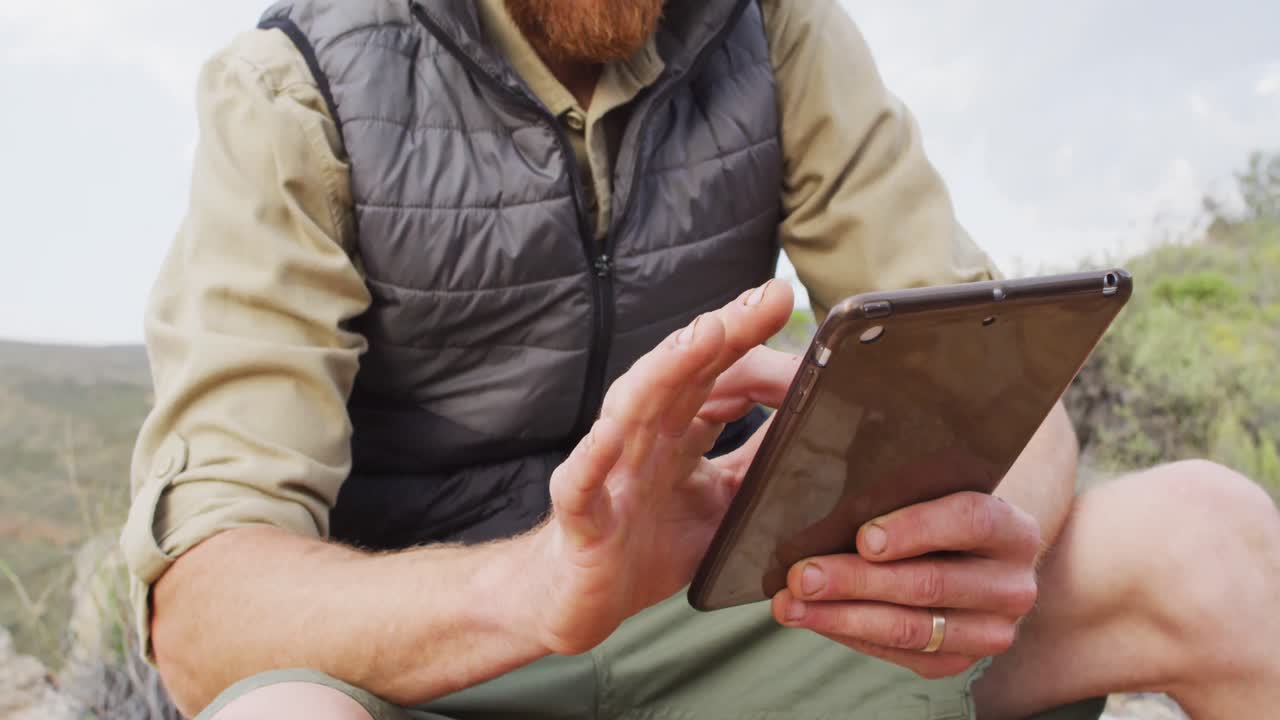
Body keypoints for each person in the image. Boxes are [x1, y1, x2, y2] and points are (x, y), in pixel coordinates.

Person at [121, 1, 1280, 719]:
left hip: (739, 618)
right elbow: (206, 616)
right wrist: (531, 590)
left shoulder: (774, 28)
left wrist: (971, 533)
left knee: (1207, 539)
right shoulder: (292, 89)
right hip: (432, 672)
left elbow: (992, 369)